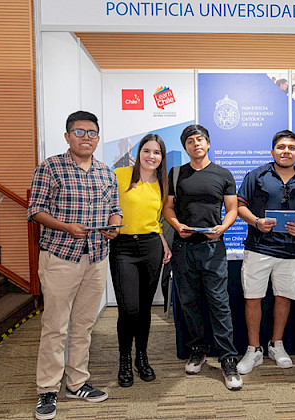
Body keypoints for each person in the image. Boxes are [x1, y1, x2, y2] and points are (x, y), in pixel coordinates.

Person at [28, 111, 122, 420]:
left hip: (96, 257)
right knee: (55, 326)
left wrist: (114, 225)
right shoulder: (50, 168)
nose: (86, 138)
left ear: (98, 137)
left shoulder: (107, 173)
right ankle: (47, 389)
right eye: (79, 132)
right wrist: (66, 226)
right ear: (67, 136)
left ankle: (77, 382)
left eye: (92, 133)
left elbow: (115, 209)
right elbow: (36, 211)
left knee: (84, 325)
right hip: (60, 257)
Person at [162, 124, 243, 391]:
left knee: (219, 303)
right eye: (190, 141)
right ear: (185, 147)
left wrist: (223, 227)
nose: (196, 144)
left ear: (208, 144)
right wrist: (176, 226)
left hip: (213, 247)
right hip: (184, 248)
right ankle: (198, 349)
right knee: (189, 302)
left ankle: (228, 359)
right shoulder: (176, 174)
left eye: (200, 139)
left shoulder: (223, 174)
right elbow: (168, 208)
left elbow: (232, 209)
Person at [236, 130, 295, 375]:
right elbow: (239, 205)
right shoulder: (256, 176)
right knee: (253, 297)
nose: (286, 151)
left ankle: (276, 345)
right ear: (272, 151)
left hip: (290, 251)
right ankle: (253, 349)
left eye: (291, 147)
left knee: (283, 297)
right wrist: (256, 221)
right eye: (281, 147)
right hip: (259, 248)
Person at [109, 134, 172, 387]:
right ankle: (124, 359)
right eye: (147, 151)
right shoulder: (120, 174)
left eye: (156, 152)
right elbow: (108, 205)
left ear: (161, 157)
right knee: (129, 309)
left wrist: (164, 242)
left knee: (145, 309)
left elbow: (156, 220)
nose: (151, 156)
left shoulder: (162, 184)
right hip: (123, 247)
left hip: (151, 247)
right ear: (139, 153)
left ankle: (141, 357)